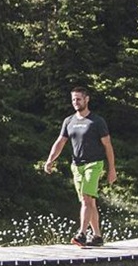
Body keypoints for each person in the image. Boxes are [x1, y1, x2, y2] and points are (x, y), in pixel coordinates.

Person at [42, 86, 117, 246]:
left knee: (86, 198)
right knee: (89, 202)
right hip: (77, 166)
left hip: (94, 164)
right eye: (73, 99)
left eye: (79, 99)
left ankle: (81, 234)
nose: (76, 102)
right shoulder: (69, 121)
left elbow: (108, 146)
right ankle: (97, 236)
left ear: (86, 99)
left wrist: (112, 169)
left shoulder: (97, 121)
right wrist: (50, 159)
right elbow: (60, 142)